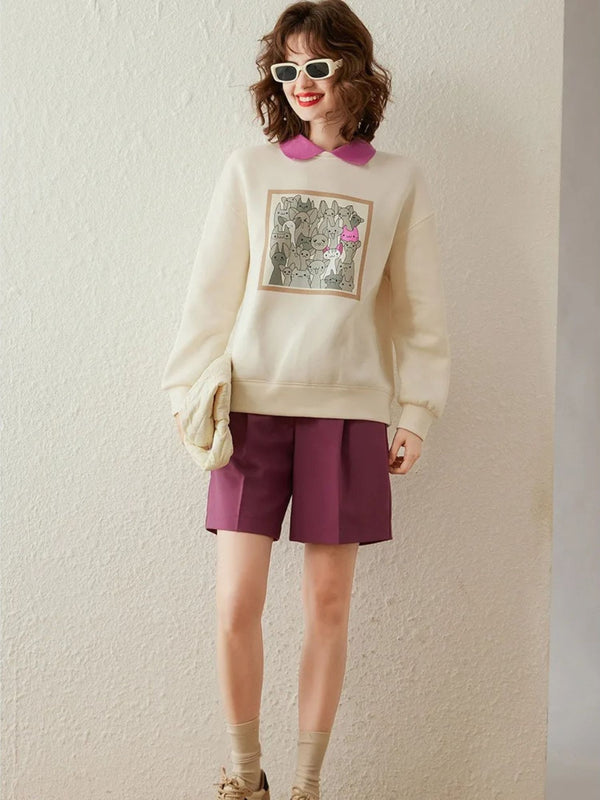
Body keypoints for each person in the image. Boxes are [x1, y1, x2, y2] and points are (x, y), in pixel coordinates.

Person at [161, 1, 451, 798]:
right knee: (235, 602)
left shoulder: (397, 180)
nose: (302, 83)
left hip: (349, 414)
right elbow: (210, 293)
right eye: (287, 68)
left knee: (328, 604)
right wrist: (187, 392)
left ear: (355, 70)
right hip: (249, 410)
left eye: (317, 65)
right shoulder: (249, 170)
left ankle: (307, 785)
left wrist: (418, 411)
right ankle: (243, 777)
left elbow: (420, 313)